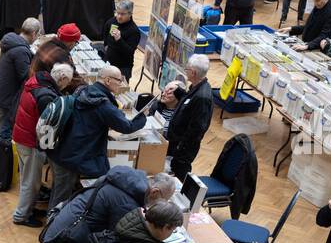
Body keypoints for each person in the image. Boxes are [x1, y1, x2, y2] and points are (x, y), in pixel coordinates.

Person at [52, 65, 147, 211]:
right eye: (118, 80)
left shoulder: (84, 90)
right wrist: (143, 117)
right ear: (108, 80)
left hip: (65, 148)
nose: (120, 83)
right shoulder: (102, 104)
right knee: (62, 195)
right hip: (76, 154)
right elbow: (126, 127)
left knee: (60, 191)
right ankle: (53, 226)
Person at [12, 61, 74, 226]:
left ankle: (28, 209)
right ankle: (21, 216)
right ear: (61, 78)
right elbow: (46, 126)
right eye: (67, 82)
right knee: (31, 183)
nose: (66, 87)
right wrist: (49, 148)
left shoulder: (38, 82)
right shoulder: (47, 96)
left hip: (22, 136)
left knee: (27, 178)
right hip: (30, 142)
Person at [152, 53, 213, 180]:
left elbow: (197, 129)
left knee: (177, 177)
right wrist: (177, 92)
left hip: (182, 152)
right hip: (176, 144)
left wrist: (180, 148)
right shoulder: (196, 87)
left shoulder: (202, 97)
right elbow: (187, 102)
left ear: (194, 73)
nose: (185, 71)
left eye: (187, 69)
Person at [0, 18, 41, 139]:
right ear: (33, 33)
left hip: (2, 93)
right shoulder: (21, 50)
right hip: (7, 98)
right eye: (38, 35)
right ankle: (3, 154)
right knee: (6, 132)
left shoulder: (13, 41)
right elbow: (26, 75)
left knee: (5, 125)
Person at [101, 0, 140, 79]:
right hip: (108, 62)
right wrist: (106, 45)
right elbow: (105, 33)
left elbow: (130, 51)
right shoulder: (112, 21)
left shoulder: (134, 31)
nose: (119, 16)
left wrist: (119, 40)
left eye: (122, 14)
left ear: (130, 14)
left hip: (122, 67)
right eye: (117, 13)